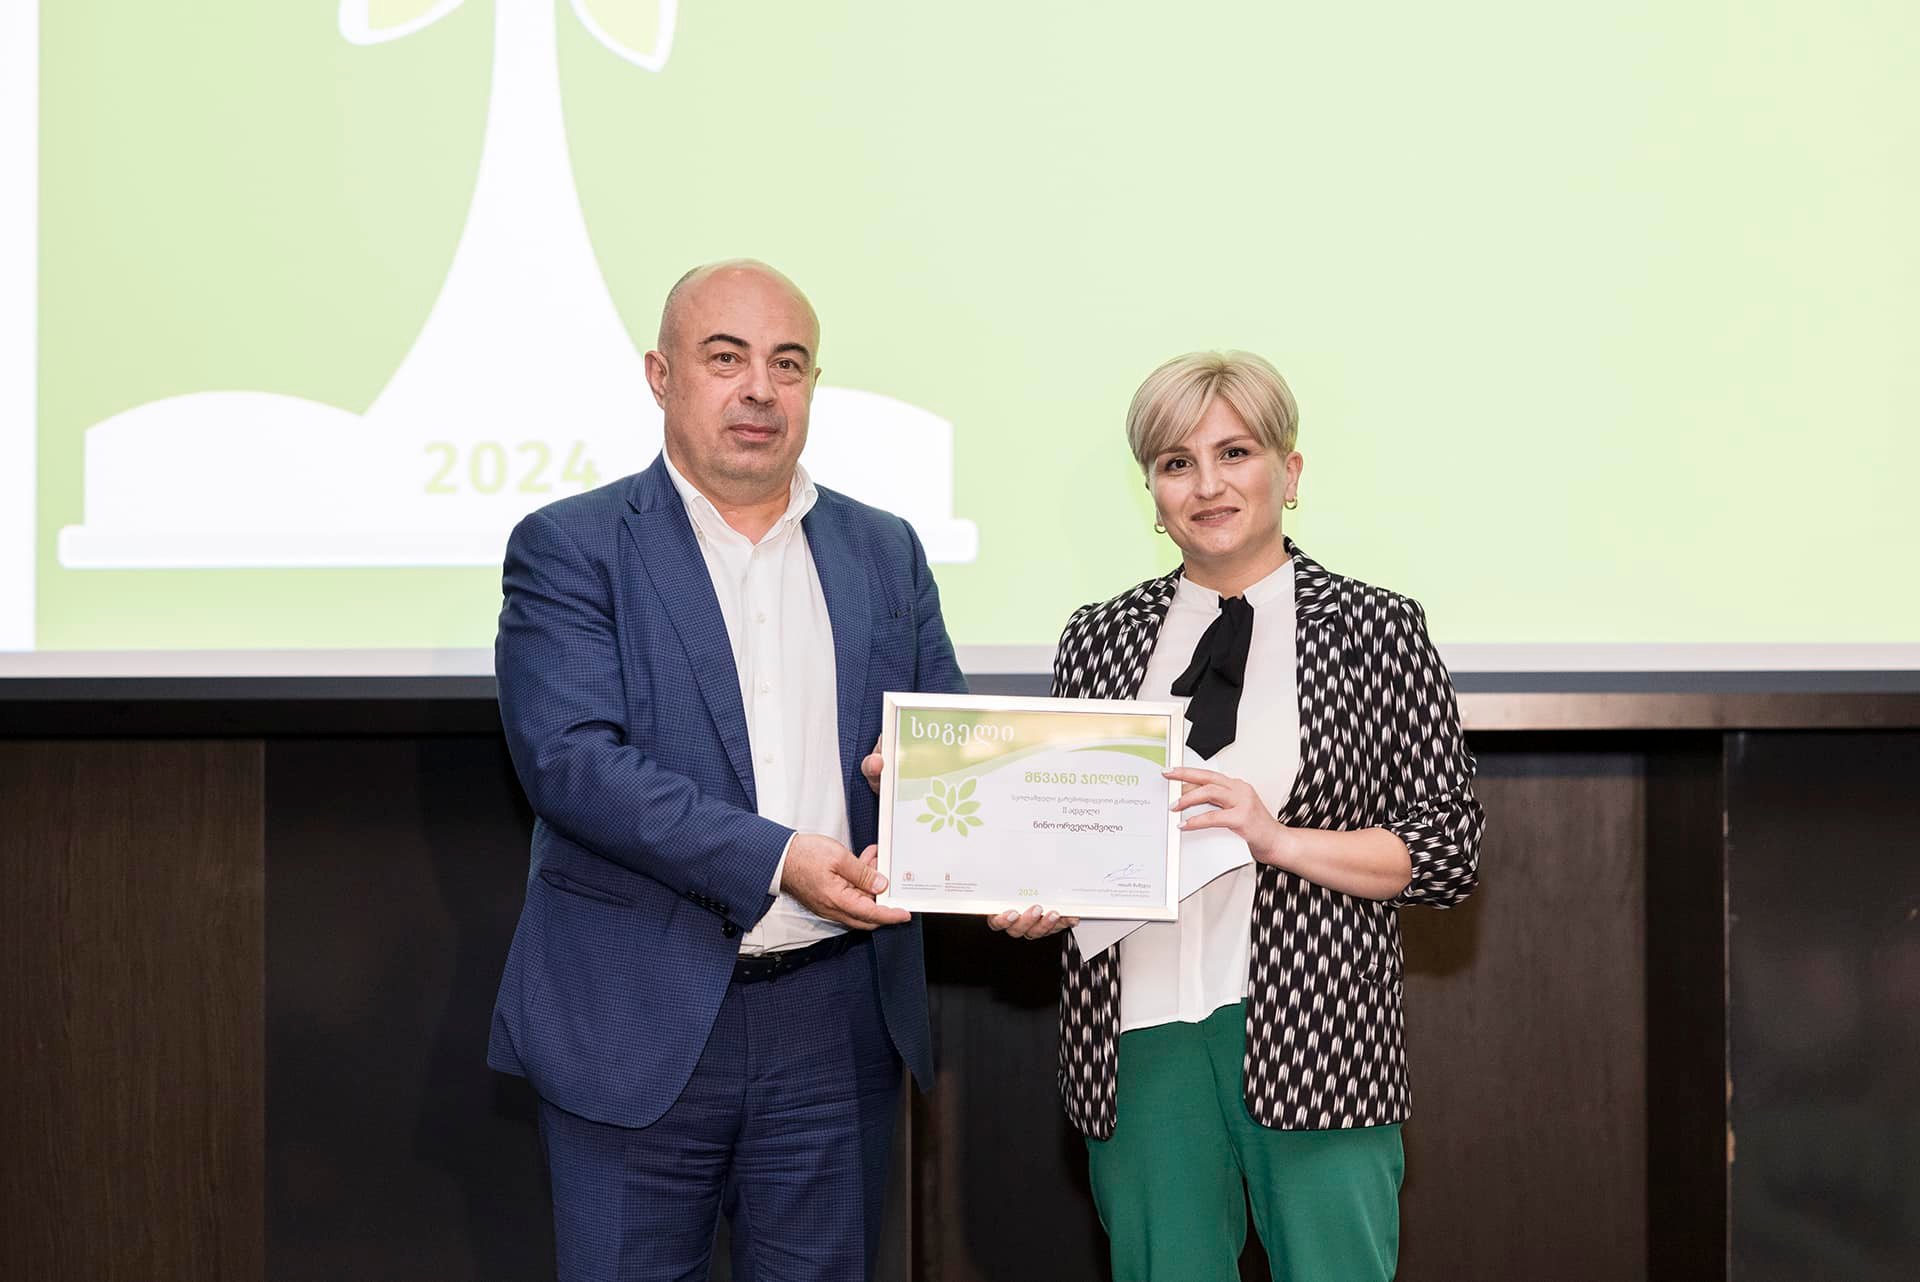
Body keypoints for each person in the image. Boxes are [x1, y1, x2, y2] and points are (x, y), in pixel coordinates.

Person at [487, 260, 964, 1281]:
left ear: (812, 384)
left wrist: (988, 841)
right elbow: (572, 763)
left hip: (836, 1019)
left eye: (787, 364)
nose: (759, 389)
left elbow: (951, 744)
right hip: (635, 1018)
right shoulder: (572, 547)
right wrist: (779, 858)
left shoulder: (885, 550)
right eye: (725, 358)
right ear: (660, 375)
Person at [995, 351, 1484, 1281]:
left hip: (1315, 1031)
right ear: (1152, 491)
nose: (1208, 485)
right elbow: (1064, 830)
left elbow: (1447, 850)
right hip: (1136, 1037)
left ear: (1288, 472)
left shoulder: (1376, 628)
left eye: (1235, 453)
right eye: (1177, 462)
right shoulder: (1098, 638)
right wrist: (1032, 893)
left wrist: (1275, 839)